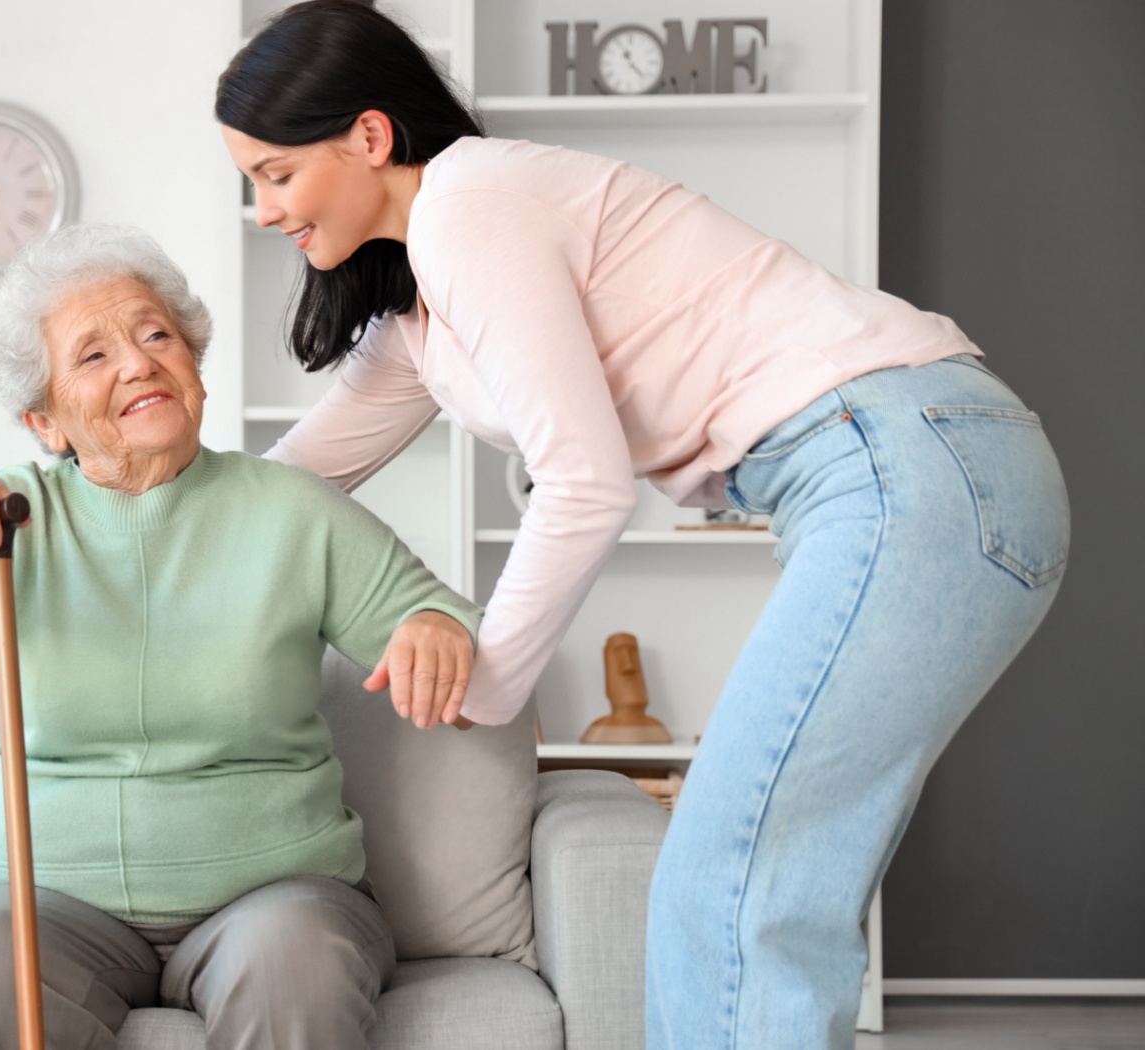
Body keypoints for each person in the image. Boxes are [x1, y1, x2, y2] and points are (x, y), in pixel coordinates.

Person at [215, 3, 1070, 1048]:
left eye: (274, 174)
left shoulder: (469, 204)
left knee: (731, 888)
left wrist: (481, 688)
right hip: (914, 467)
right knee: (754, 890)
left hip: (904, 463)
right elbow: (288, 484)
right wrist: (94, 510)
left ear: (368, 135)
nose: (263, 212)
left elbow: (584, 483)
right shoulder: (419, 316)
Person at [0, 222, 482, 1050]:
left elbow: (446, 625)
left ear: (194, 366)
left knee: (302, 966)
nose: (140, 362)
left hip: (275, 897)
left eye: (156, 335)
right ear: (46, 422)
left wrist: (435, 630)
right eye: (94, 356)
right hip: (44, 903)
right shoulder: (3, 520)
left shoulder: (293, 513)